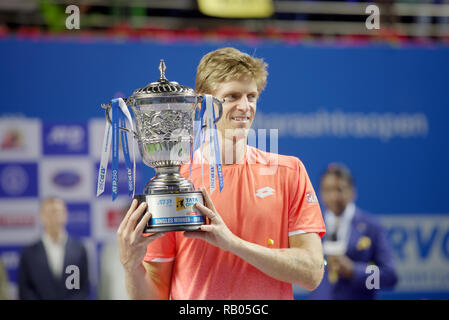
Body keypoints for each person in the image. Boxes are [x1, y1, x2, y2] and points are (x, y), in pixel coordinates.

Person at [117, 47, 326, 300]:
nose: (245, 106)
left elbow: (312, 272)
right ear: (202, 105)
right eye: (232, 96)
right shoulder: (174, 184)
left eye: (252, 96)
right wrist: (130, 266)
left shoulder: (289, 172)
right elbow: (154, 295)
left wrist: (233, 244)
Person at [309, 164, 398, 300]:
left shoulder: (371, 227)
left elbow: (390, 276)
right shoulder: (311, 225)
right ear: (320, 194)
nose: (334, 196)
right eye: (328, 190)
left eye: (340, 189)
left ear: (352, 192)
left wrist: (354, 271)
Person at [18, 197, 89, 299]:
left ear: (65, 215)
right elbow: (25, 290)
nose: (54, 217)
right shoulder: (29, 253)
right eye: (49, 212)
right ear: (41, 217)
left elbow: (82, 288)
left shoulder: (79, 250)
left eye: (57, 212)